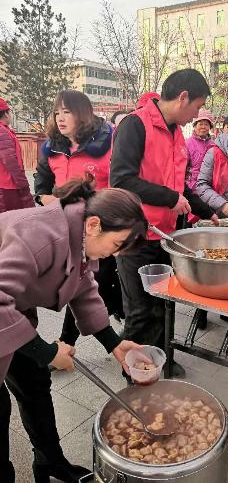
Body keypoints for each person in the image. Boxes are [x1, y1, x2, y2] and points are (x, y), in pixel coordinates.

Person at [0, 176, 148, 483]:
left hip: (15, 311)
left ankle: (50, 463)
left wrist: (114, 343)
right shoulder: (38, 235)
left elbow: (83, 285)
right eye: (117, 244)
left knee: (34, 385)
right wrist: (48, 352)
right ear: (95, 225)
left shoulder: (77, 230)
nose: (116, 254)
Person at [110, 69, 218, 379]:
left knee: (162, 306)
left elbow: (180, 187)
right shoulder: (135, 124)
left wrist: (209, 211)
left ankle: (159, 363)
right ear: (183, 97)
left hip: (165, 236)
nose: (197, 114)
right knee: (139, 312)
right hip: (136, 237)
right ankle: (134, 372)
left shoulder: (175, 134)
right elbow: (122, 180)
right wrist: (170, 198)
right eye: (197, 107)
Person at [34, 89, 124, 347]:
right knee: (84, 283)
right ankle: (115, 321)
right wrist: (43, 198)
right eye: (57, 112)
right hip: (68, 227)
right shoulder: (52, 146)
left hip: (101, 228)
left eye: (67, 112)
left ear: (83, 114)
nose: (60, 118)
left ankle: (67, 342)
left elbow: (121, 185)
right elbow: (41, 182)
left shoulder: (109, 143)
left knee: (90, 283)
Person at [0, 98, 34, 213]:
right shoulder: (2, 132)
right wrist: (23, 184)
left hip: (6, 185)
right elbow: (10, 162)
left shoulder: (5, 130)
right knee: (12, 221)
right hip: (8, 186)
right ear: (5, 113)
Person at [186, 110, 215, 191]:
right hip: (191, 188)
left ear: (210, 127)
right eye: (200, 124)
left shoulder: (213, 145)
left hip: (209, 188)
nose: (203, 127)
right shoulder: (188, 144)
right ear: (195, 126)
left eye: (206, 124)